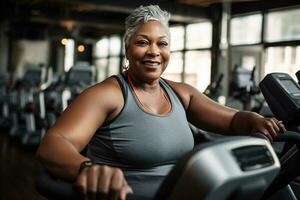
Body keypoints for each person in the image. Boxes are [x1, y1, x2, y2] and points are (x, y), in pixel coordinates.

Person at [36, 5, 285, 200]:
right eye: (143, 42)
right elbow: (55, 144)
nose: (154, 51)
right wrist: (88, 169)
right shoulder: (108, 95)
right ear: (127, 49)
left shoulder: (181, 94)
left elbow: (232, 120)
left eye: (162, 43)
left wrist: (255, 119)